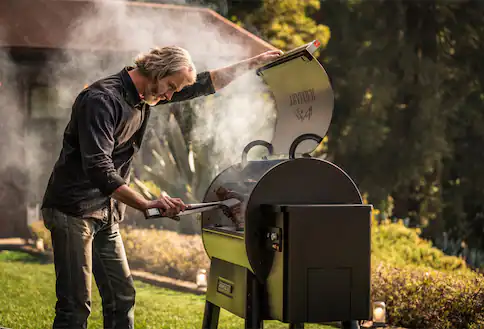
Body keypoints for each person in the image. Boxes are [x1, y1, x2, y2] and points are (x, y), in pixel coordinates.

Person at [40, 45, 282, 329]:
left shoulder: (144, 96)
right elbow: (98, 168)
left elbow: (204, 84)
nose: (170, 96)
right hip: (73, 209)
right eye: (170, 87)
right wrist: (146, 204)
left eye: (174, 90)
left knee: (122, 296)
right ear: (156, 71)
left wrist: (252, 63)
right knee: (75, 307)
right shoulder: (101, 100)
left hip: (106, 212)